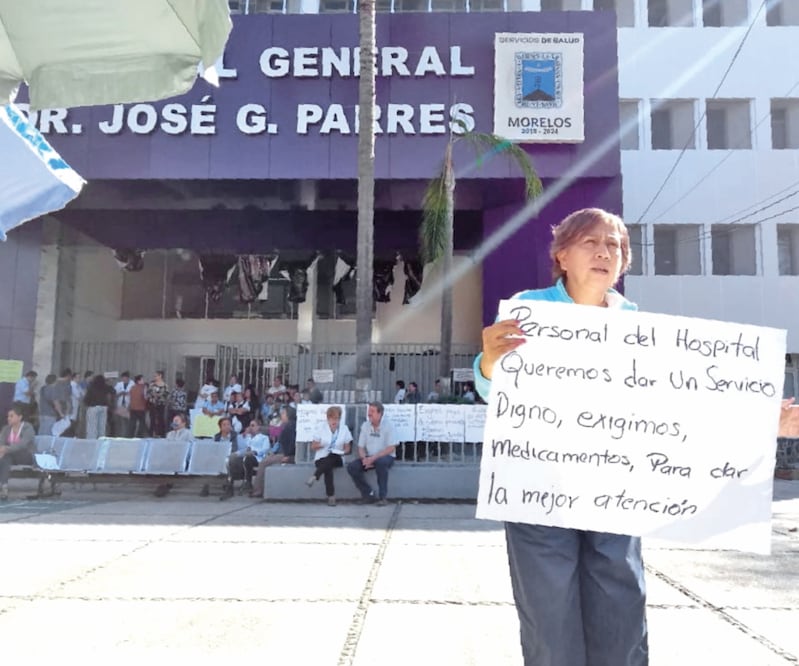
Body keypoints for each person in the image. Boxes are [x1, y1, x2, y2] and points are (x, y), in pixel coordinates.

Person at [472, 208, 648, 666]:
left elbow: (671, 409)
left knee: (621, 609)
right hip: (538, 488)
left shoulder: (639, 325)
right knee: (550, 618)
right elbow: (492, 389)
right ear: (562, 255)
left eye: (615, 245)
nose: (605, 251)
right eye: (591, 242)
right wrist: (490, 361)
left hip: (613, 489)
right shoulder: (529, 310)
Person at [346, 401, 397, 506]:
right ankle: (368, 494)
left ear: (380, 414)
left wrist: (373, 458)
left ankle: (383, 497)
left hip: (385, 456)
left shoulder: (389, 426)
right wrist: (364, 459)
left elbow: (391, 447)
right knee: (352, 467)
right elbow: (361, 446)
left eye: (372, 412)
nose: (369, 414)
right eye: (369, 411)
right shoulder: (365, 425)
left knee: (381, 463)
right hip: (369, 457)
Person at [306, 406, 353, 506]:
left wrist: (342, 452)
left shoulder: (344, 429)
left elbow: (348, 448)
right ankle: (331, 496)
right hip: (321, 457)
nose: (334, 421)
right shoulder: (321, 428)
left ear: (340, 419)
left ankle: (315, 476)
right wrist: (322, 444)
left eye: (336, 418)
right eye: (331, 418)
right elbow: (313, 446)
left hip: (338, 457)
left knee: (332, 457)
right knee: (328, 467)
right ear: (328, 419)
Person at [250, 405, 296, 498]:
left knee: (263, 463)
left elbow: (291, 443)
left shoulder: (290, 426)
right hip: (282, 452)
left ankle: (258, 490)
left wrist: (288, 456)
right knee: (266, 460)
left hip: (287, 455)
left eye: (283, 413)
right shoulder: (287, 425)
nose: (281, 415)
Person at [0, 404, 36, 500]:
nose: (9, 418)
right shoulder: (6, 429)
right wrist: (2, 450)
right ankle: (4, 486)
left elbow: (23, 444)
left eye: (11, 416)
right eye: (8, 416)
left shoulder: (28, 428)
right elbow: (1, 443)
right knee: (5, 459)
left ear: (19, 417)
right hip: (11, 456)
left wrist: (5, 449)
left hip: (26, 456)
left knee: (6, 454)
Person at [84, 374, 113, 439]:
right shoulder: (106, 387)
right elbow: (110, 396)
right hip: (103, 407)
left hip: (93, 407)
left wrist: (87, 404)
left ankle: (91, 442)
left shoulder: (91, 387)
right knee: (102, 427)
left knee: (92, 427)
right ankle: (101, 441)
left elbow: (86, 398)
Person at [146, 370, 169, 437]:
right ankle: (151, 433)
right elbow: (148, 393)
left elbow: (166, 394)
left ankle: (161, 433)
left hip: (161, 404)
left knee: (161, 418)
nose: (155, 377)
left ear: (160, 376)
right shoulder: (152, 385)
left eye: (156, 376)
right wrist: (153, 395)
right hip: (152, 403)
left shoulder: (165, 385)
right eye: (154, 376)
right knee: (152, 418)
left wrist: (160, 396)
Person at [113, 371, 134, 437]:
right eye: (123, 379)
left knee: (128, 421)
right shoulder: (119, 384)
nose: (124, 380)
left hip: (128, 405)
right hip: (120, 405)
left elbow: (134, 396)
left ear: (128, 378)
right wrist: (120, 393)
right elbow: (114, 394)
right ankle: (120, 435)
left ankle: (127, 435)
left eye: (125, 379)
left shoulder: (133, 384)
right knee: (120, 421)